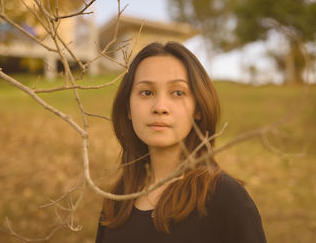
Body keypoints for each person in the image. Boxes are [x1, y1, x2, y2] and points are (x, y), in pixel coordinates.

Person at [95, 41, 267, 243]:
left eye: (178, 92)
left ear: (198, 108)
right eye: (147, 92)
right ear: (128, 109)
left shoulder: (226, 200)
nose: (160, 107)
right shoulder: (116, 205)